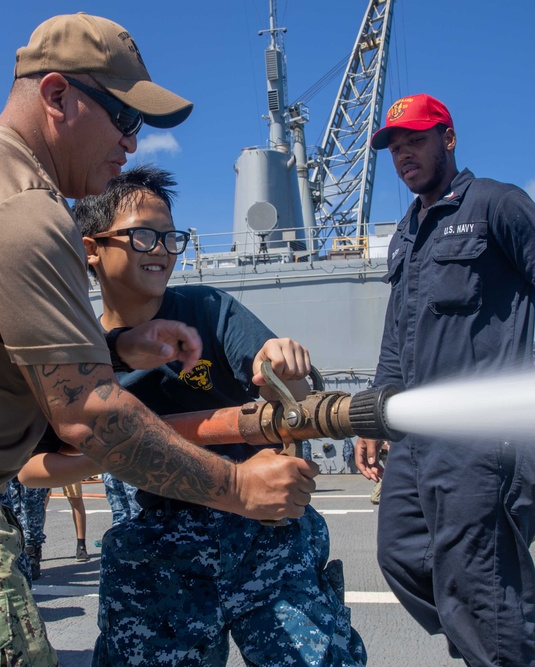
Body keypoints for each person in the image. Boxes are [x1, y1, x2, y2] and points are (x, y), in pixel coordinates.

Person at [0, 14, 316, 665]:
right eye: (123, 117)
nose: (134, 141)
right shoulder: (23, 207)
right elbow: (90, 420)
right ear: (57, 96)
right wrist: (240, 489)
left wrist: (122, 350)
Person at [19, 166, 366, 667]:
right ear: (91, 248)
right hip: (160, 544)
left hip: (265, 534)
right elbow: (32, 468)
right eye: (142, 235)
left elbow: (288, 391)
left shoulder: (207, 310)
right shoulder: (78, 355)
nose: (160, 248)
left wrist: (283, 366)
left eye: (170, 236)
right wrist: (121, 451)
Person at [355, 94, 535, 667]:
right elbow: (398, 337)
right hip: (416, 440)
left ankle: (492, 643)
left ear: (449, 138)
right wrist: (374, 415)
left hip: (482, 438)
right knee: (402, 557)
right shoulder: (407, 233)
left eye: (415, 140)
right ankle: (484, 642)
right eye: (394, 146)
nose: (403, 155)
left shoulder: (496, 205)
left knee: (481, 587)